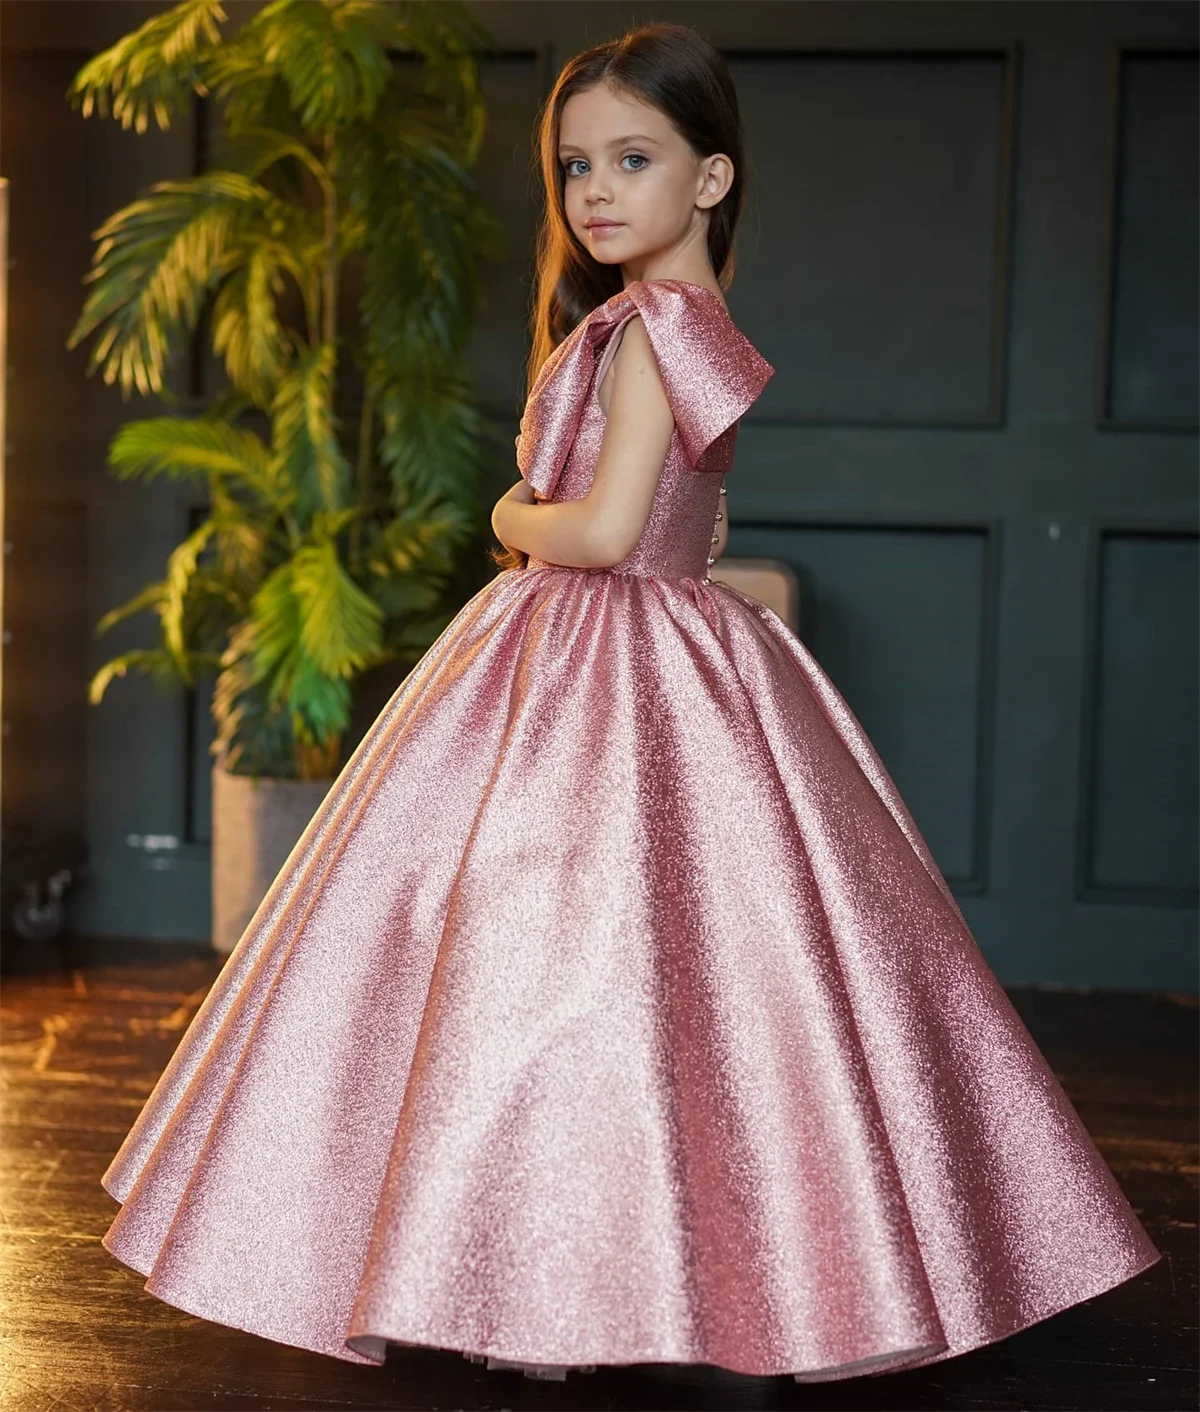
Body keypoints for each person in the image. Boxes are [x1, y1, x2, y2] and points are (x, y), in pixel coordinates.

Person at [100, 20, 1160, 1385]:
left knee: (561, 949)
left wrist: (508, 512)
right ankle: (594, 1251)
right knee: (652, 961)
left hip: (598, 647)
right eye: (574, 164)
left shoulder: (657, 332)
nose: (594, 191)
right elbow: (694, 519)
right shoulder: (661, 325)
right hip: (628, 644)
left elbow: (601, 533)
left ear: (712, 179)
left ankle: (544, 1258)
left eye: (634, 158)